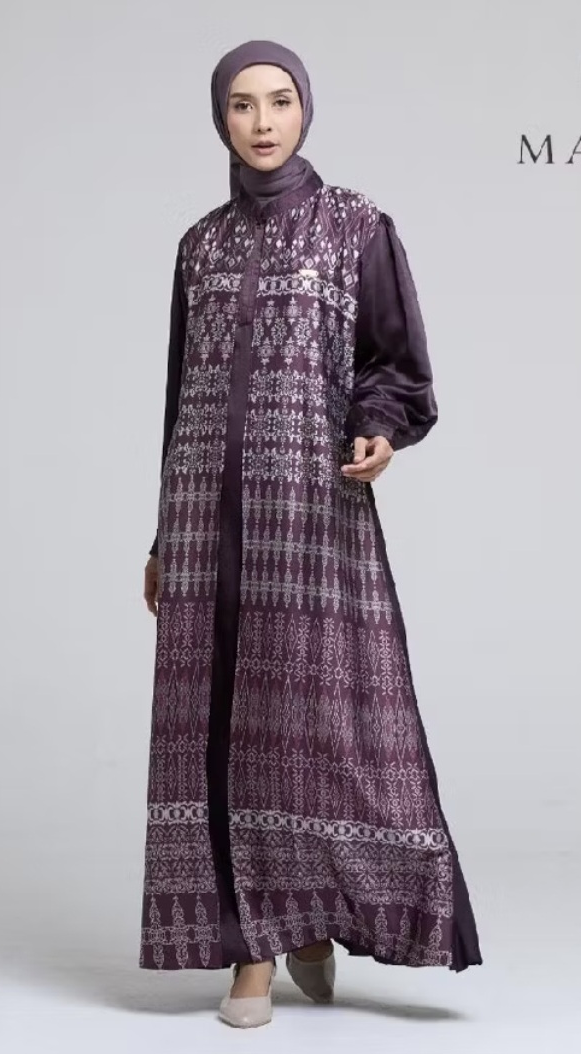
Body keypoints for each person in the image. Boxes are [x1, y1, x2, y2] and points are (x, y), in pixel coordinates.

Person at [138, 39, 482, 1028]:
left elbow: (395, 363)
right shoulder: (198, 246)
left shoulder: (356, 227)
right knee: (221, 730)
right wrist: (163, 536)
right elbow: (181, 398)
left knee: (318, 729)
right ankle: (252, 954)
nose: (262, 121)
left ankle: (313, 914)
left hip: (309, 514)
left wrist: (378, 429)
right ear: (221, 118)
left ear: (306, 110)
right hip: (206, 525)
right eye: (242, 104)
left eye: (280, 101)